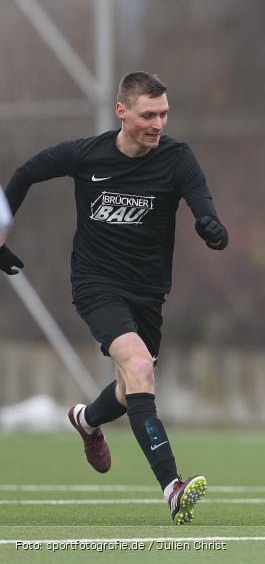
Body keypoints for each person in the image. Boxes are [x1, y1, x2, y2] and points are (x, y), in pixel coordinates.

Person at [1, 71, 228, 523]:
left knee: (129, 389)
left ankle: (86, 421)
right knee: (141, 368)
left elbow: (200, 197)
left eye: (164, 114)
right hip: (96, 285)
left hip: (149, 293)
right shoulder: (86, 154)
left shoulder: (177, 158)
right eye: (148, 114)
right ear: (121, 111)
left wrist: (209, 223)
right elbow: (25, 174)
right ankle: (172, 487)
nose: (158, 123)